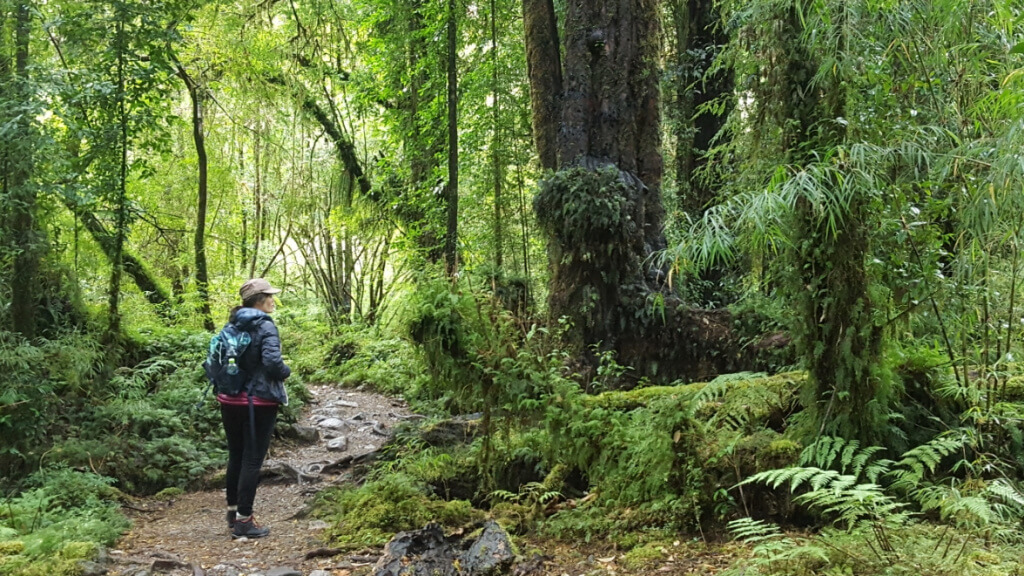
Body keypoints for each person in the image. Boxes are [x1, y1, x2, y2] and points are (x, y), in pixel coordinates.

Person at [218, 278, 290, 539]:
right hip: (259, 401)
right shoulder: (265, 325)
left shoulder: (232, 323)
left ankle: (232, 514)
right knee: (252, 458)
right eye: (269, 296)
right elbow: (272, 363)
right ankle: (244, 522)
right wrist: (286, 372)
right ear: (259, 300)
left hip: (229, 398)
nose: (273, 300)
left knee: (236, 455)